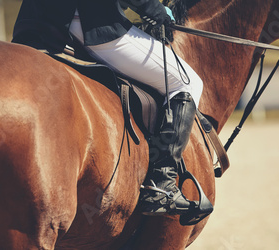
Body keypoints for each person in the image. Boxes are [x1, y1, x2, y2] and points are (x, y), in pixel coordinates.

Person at [12, 0, 204, 216]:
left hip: (36, 23)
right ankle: (162, 185)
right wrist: (154, 10)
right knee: (187, 83)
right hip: (91, 24)